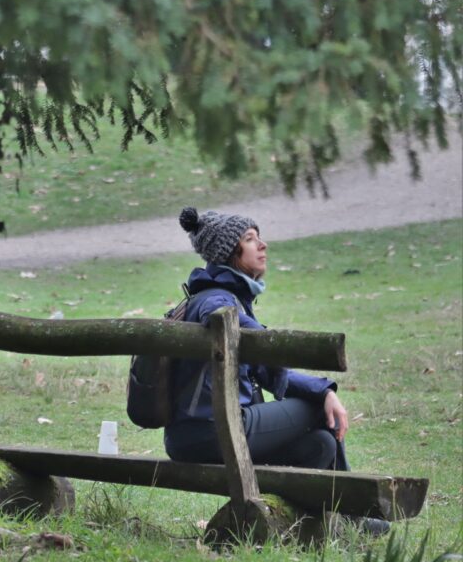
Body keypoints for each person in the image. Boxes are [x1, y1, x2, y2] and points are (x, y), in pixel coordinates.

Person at [165, 206, 389, 535]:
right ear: (229, 252)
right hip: (213, 430)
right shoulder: (221, 305)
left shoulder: (209, 299)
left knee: (320, 445)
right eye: (250, 239)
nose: (263, 245)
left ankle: (310, 521)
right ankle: (355, 516)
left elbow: (268, 372)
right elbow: (272, 367)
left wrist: (322, 389)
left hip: (191, 435)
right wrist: (322, 393)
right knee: (316, 409)